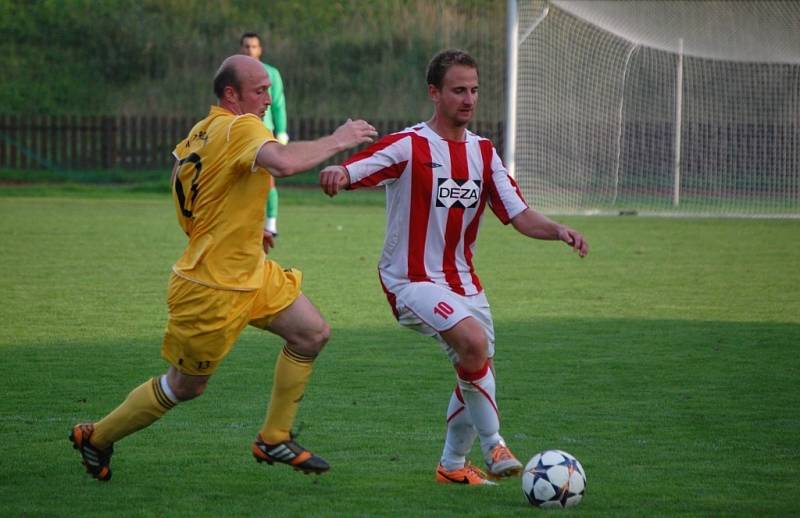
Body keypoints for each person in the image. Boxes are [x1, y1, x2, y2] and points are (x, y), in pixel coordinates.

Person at [69, 54, 378, 481]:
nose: (269, 98)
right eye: (260, 90)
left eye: (269, 89)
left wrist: (238, 230)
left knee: (311, 333)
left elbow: (191, 188)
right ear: (231, 94)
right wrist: (339, 139)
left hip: (247, 268)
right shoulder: (241, 126)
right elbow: (284, 164)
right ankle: (97, 436)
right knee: (185, 386)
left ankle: (274, 437)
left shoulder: (202, 129)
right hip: (212, 287)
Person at [319, 49, 589, 486]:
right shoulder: (410, 144)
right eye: (458, 90)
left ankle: (452, 467)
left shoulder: (484, 153)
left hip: (464, 283)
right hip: (410, 279)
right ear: (434, 93)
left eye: (474, 90)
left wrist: (558, 229)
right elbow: (359, 168)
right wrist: (339, 172)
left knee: (477, 364)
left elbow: (519, 214)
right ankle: (494, 444)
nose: (468, 99)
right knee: (472, 341)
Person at [240, 31, 287, 237]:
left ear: (260, 49)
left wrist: (282, 131)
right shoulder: (233, 72)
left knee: (267, 178)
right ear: (241, 49)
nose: (250, 50)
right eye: (246, 46)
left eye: (254, 46)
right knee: (238, 178)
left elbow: (278, 103)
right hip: (239, 131)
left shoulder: (271, 73)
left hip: (263, 131)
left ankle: (271, 222)